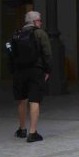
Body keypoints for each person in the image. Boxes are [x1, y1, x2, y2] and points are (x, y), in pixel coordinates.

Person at [10, 10, 52, 143]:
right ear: (34, 21)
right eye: (39, 20)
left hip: (19, 71)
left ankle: (22, 129)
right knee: (34, 100)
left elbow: (11, 54)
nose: (40, 23)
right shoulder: (40, 33)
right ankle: (33, 133)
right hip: (36, 70)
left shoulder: (16, 34)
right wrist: (48, 71)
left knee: (22, 99)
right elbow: (47, 54)